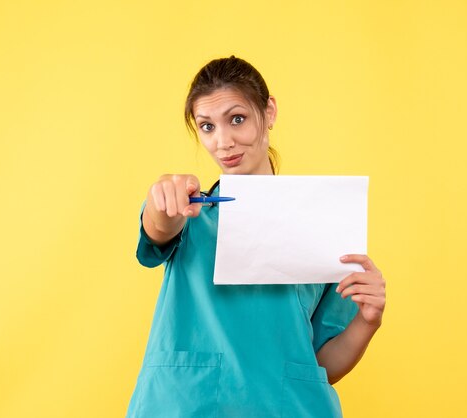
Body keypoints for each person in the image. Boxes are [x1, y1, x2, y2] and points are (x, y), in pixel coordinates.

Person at [125, 56, 386, 418]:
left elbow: (319, 367)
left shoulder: (324, 223)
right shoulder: (189, 212)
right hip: (184, 406)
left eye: (237, 119)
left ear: (269, 112)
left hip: (286, 409)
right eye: (207, 126)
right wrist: (162, 200)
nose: (224, 142)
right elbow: (158, 227)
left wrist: (367, 321)